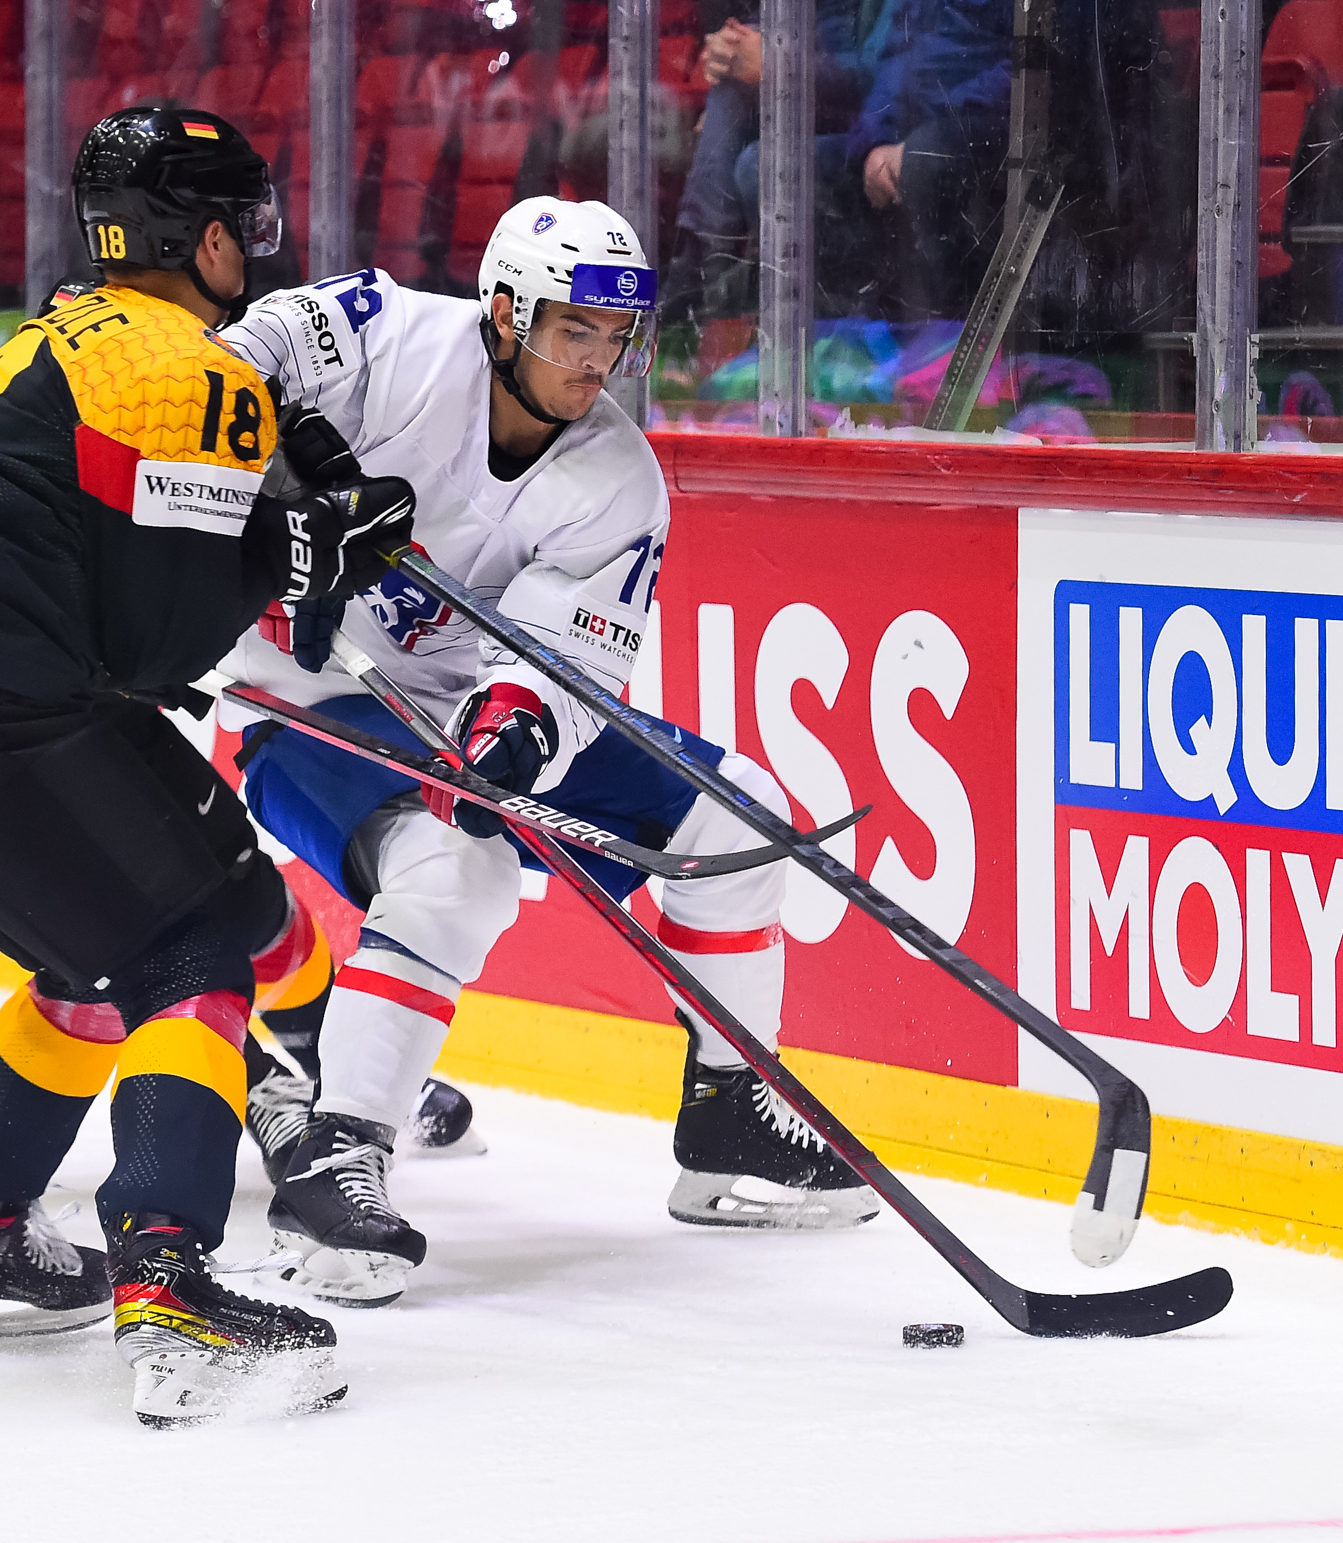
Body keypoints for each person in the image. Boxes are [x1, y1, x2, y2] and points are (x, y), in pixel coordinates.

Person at [0, 107, 416, 1426]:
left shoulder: (65, 333)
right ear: (205, 240)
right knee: (193, 947)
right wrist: (300, 557)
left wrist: (275, 531)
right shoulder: (184, 365)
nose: (255, 249)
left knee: (115, 937)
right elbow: (154, 649)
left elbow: (104, 606)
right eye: (245, 227)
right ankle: (173, 1288)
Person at [213, 196, 881, 1310]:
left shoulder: (618, 478)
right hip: (305, 691)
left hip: (455, 697)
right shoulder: (387, 336)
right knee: (454, 868)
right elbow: (238, 355)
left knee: (743, 815)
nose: (596, 360)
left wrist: (515, 732)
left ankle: (729, 1113)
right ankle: (338, 1157)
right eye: (575, 330)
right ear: (505, 313)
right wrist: (285, 487)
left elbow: (564, 653)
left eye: (616, 336)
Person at [666, 0, 899, 324]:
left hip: (882, 130)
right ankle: (701, 278)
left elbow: (883, 76)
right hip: (819, 109)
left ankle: (697, 273)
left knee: (762, 164)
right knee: (734, 96)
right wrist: (733, 49)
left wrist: (779, 64)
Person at [838, 0, 1012, 318]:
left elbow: (1029, 68)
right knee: (779, 170)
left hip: (984, 128)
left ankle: (949, 328)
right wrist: (874, 144)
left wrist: (925, 125)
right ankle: (854, 331)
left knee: (925, 156)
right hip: (908, 131)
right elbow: (894, 58)